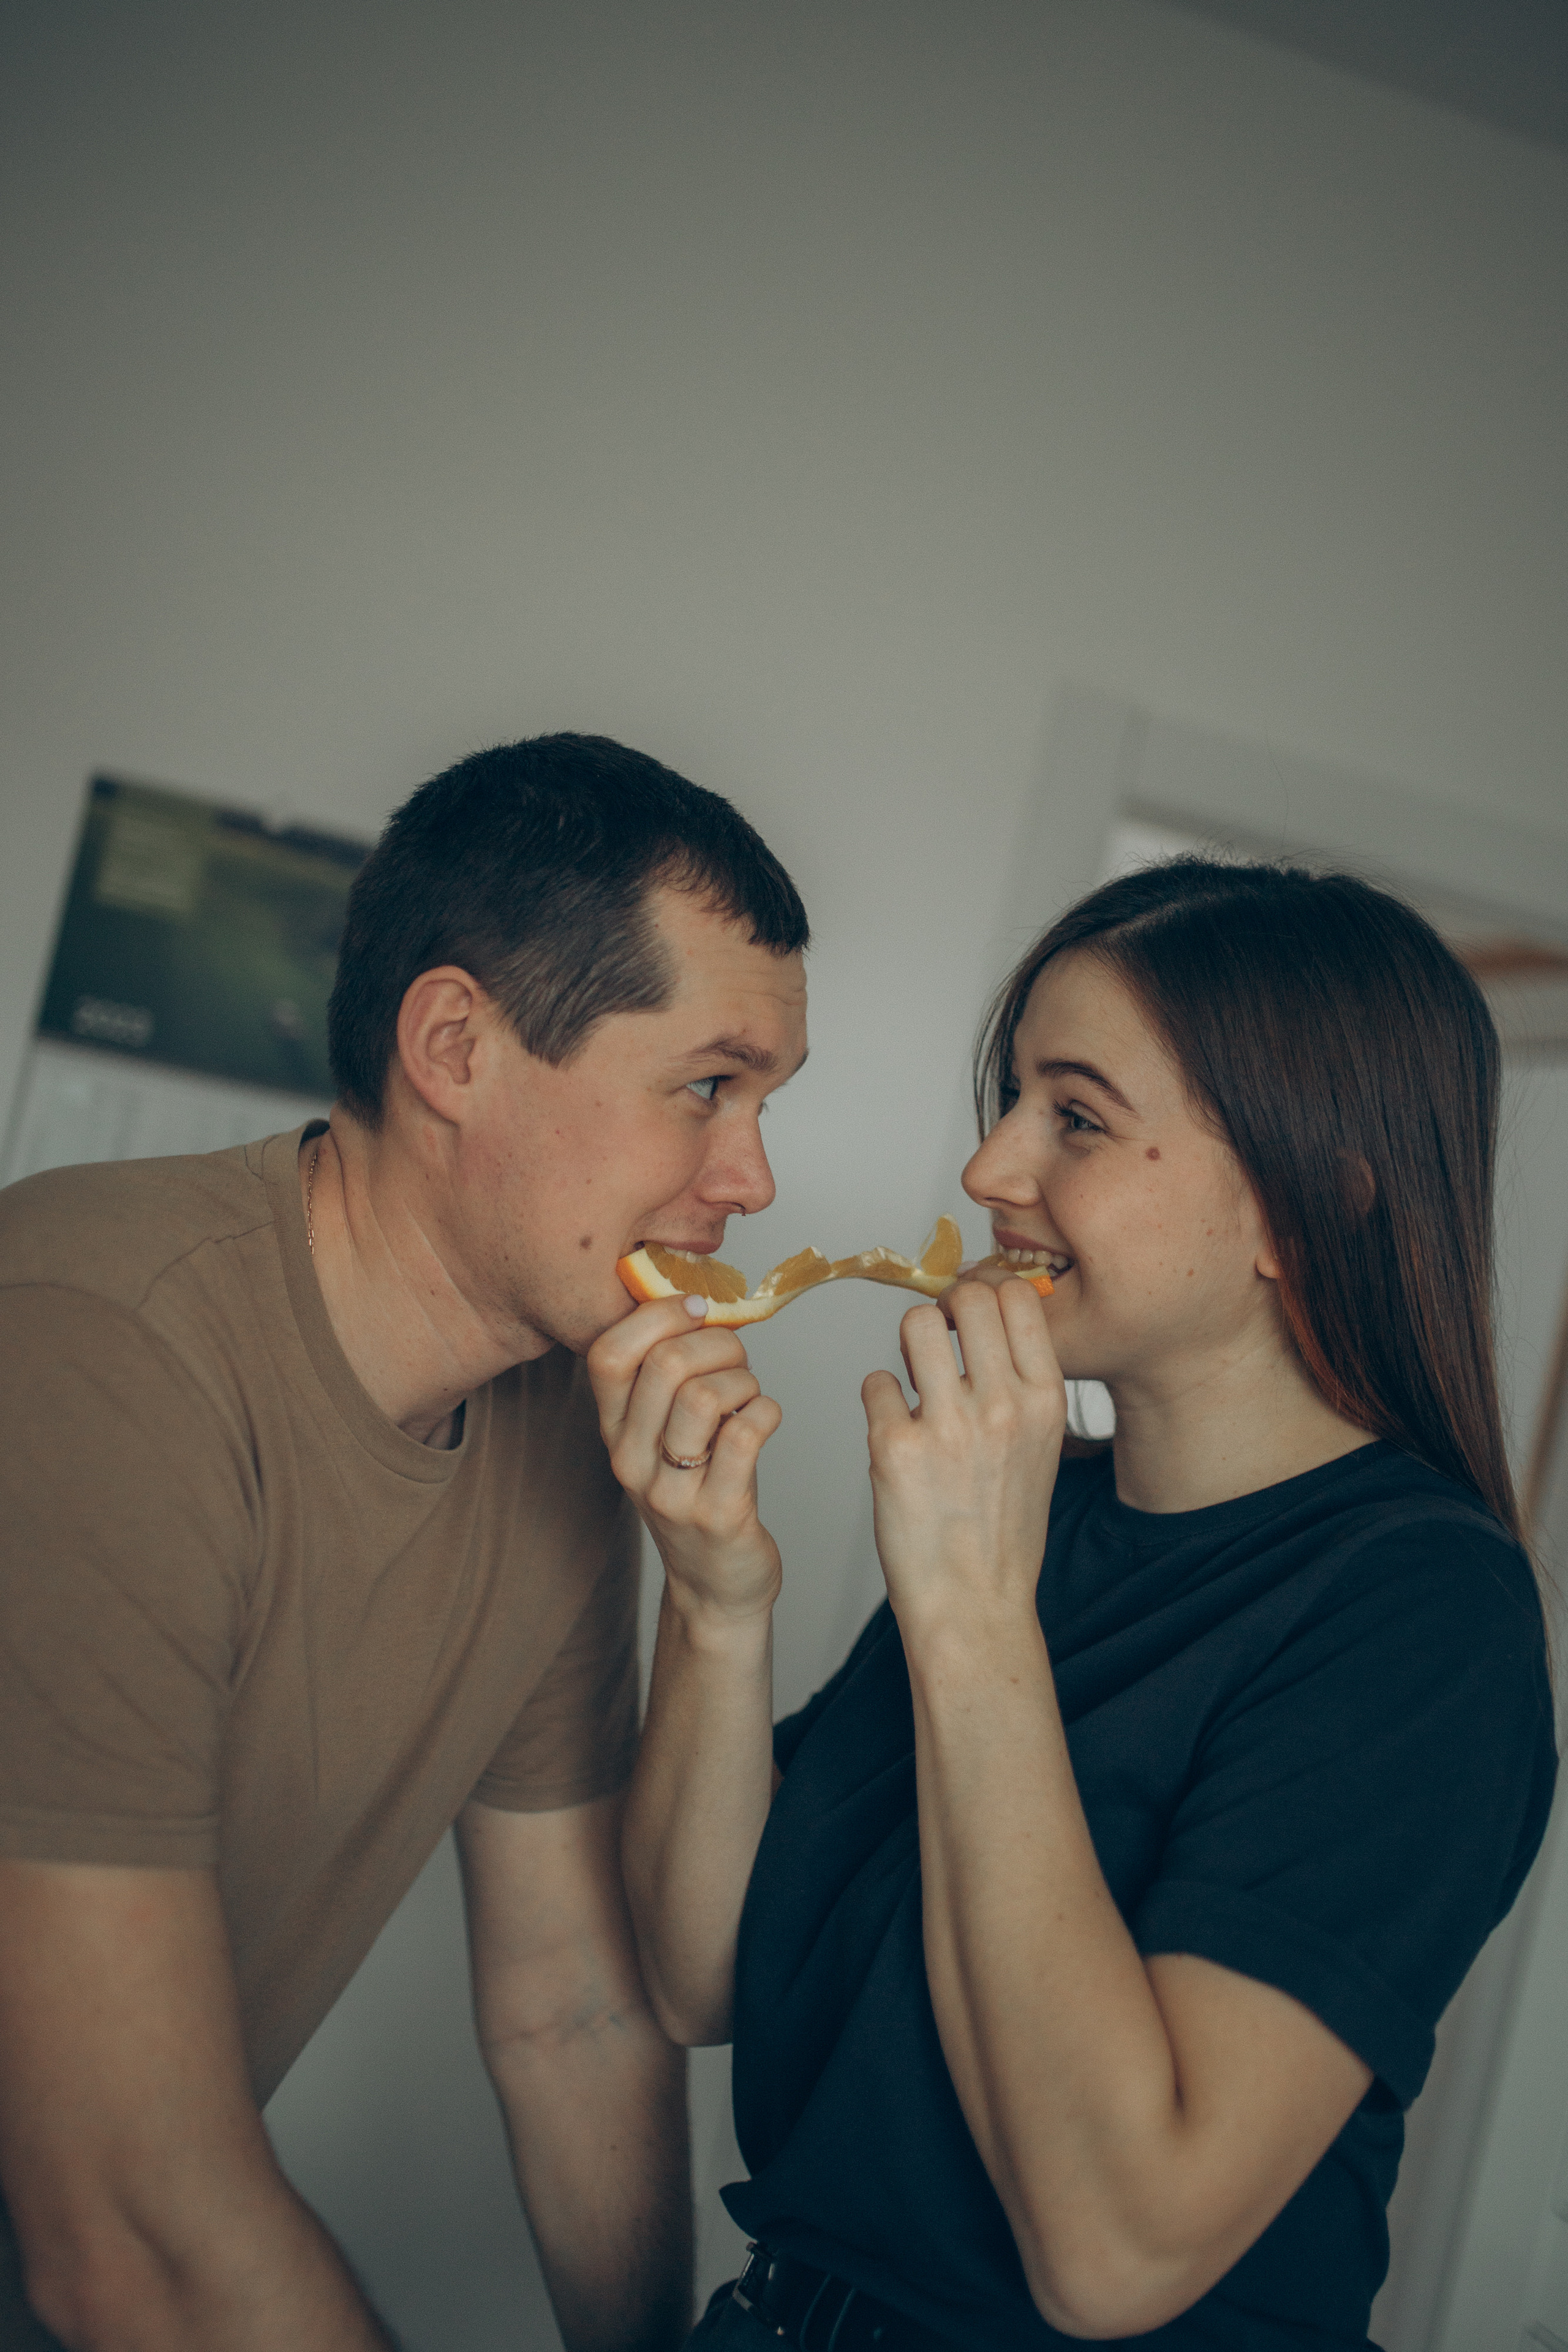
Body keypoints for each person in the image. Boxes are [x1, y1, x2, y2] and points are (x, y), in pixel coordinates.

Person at [592, 856, 1557, 2352]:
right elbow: (699, 1968)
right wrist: (717, 1601)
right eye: (1012, 1101)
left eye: (1075, 1116)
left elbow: (1116, 2253)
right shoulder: (1038, 1521)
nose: (987, 1173)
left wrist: (972, 1615)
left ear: (1304, 1204)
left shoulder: (1424, 1618)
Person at [0, 733, 810, 2352]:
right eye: (708, 1088)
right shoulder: (92, 1343)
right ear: (456, 1045)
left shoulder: (563, 1429)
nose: (755, 1180)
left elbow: (574, 2009)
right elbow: (137, 2236)